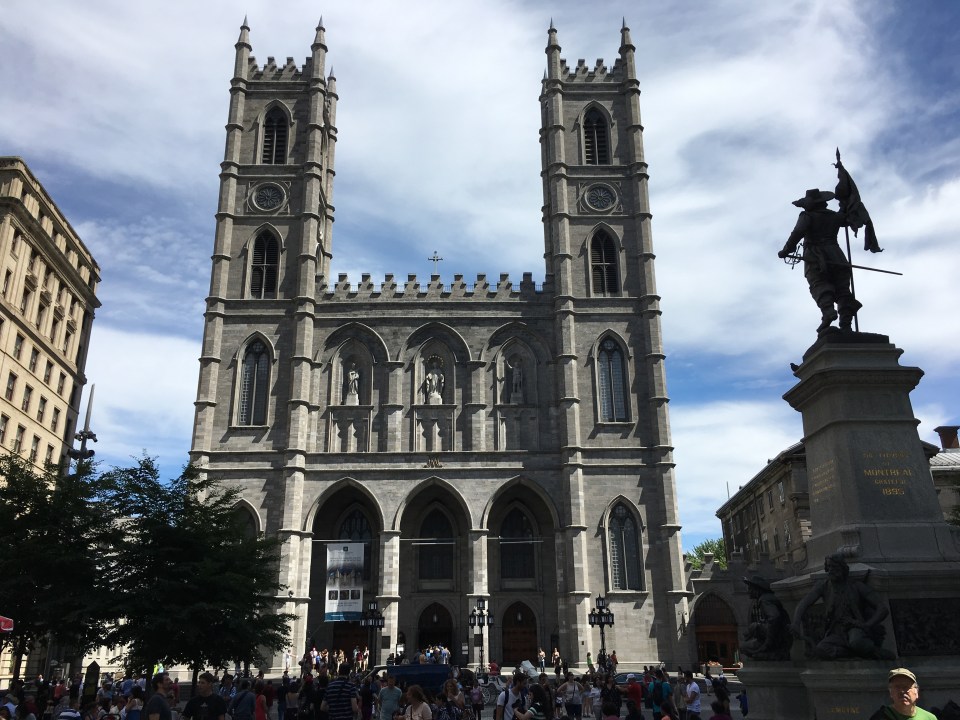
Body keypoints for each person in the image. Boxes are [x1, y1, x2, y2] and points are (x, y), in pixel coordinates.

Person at [778, 188, 862, 333]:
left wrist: (786, 250)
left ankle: (828, 311)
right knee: (843, 289)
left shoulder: (807, 216)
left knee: (819, 284)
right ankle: (846, 322)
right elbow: (849, 218)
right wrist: (846, 205)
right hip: (837, 256)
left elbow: (797, 232)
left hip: (816, 256)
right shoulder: (836, 217)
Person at [791, 553, 891, 660]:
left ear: (842, 568)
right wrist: (796, 622)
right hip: (835, 631)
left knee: (857, 642)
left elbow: (882, 608)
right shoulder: (824, 586)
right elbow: (804, 603)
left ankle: (876, 652)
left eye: (834, 567)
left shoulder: (856, 586)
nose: (830, 570)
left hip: (855, 627)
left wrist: (866, 625)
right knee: (820, 650)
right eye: (828, 567)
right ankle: (854, 652)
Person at [869, 668, 935, 720]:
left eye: (906, 687)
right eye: (897, 687)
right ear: (891, 692)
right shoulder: (881, 717)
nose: (902, 691)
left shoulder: (929, 718)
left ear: (916, 691)